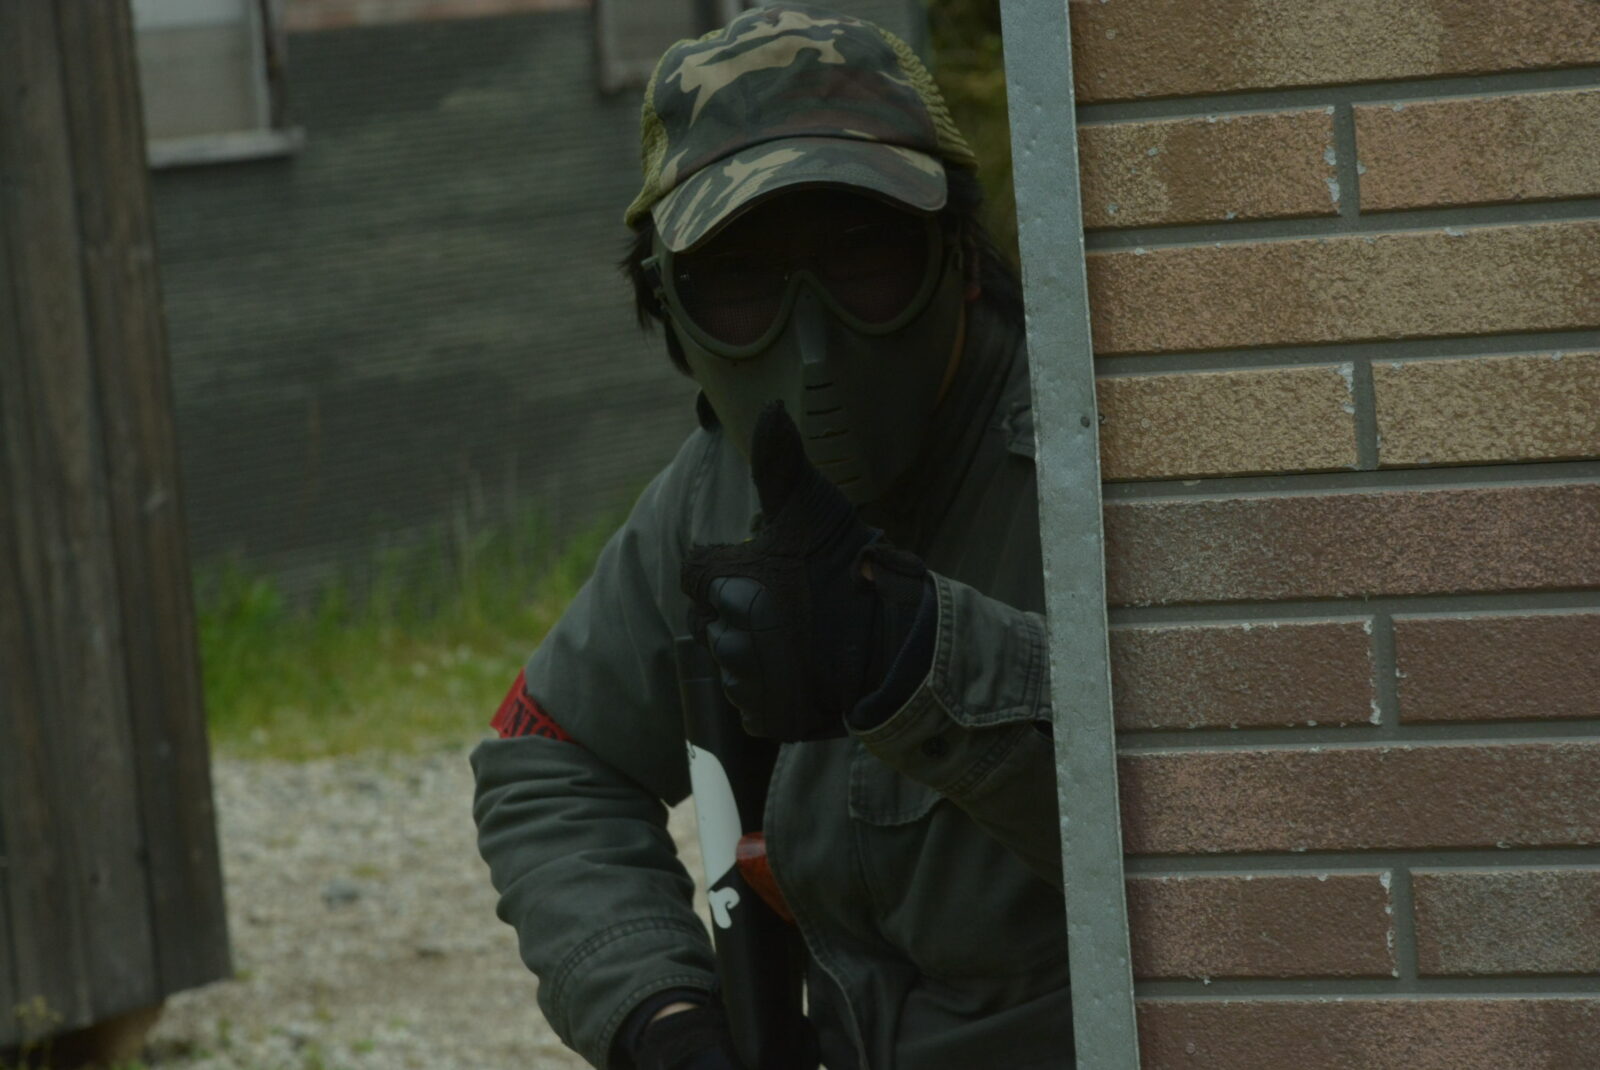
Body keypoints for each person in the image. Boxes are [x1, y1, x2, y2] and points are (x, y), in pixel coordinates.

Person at [472, 6, 1069, 1068]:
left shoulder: (1087, 467)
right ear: (670, 313)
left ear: (960, 260)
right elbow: (551, 760)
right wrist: (657, 1013)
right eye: (743, 281)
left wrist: (926, 660)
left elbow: (1243, 817)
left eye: (863, 257)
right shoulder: (717, 492)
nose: (815, 343)